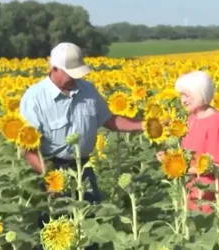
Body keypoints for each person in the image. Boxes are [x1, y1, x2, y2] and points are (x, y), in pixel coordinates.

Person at [19, 42, 143, 249]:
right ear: (54, 69)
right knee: (55, 230)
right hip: (51, 168)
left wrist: (144, 125)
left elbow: (109, 120)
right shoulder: (35, 98)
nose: (76, 78)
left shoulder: (88, 90)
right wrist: (50, 177)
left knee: (91, 223)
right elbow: (28, 147)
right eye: (70, 73)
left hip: (83, 169)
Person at [156, 70, 219, 214]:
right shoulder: (192, 118)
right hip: (190, 192)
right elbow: (189, 154)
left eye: (186, 95)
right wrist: (169, 159)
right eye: (181, 95)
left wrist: (181, 170)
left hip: (208, 196)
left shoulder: (215, 121)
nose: (182, 100)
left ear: (200, 93)